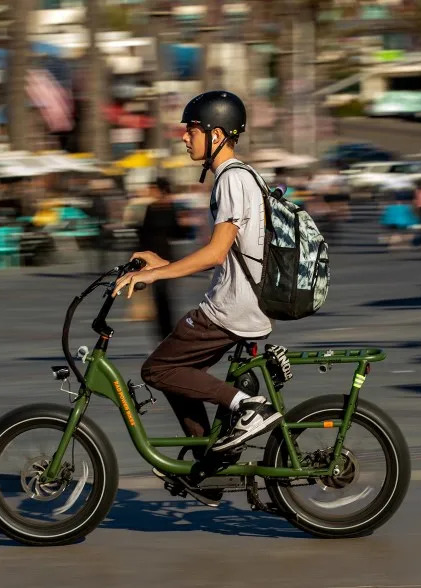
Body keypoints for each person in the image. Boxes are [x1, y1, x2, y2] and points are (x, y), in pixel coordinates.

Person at [112, 90, 282, 507]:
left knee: (157, 368)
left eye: (191, 130)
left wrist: (154, 274)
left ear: (217, 134)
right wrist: (161, 261)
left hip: (232, 308)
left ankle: (248, 408)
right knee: (177, 372)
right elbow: (229, 255)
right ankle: (208, 470)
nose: (184, 138)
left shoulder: (232, 178)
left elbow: (217, 252)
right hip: (239, 300)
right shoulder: (241, 177)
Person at [138, 177, 185, 340]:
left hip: (157, 257)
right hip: (164, 255)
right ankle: (167, 332)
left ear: (160, 190)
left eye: (153, 188)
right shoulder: (168, 207)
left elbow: (143, 235)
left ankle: (165, 333)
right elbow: (178, 232)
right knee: (163, 296)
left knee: (161, 296)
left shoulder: (153, 208)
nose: (150, 191)